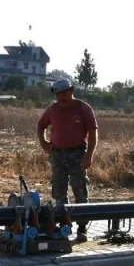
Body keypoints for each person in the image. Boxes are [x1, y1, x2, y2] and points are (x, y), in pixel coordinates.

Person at [37, 77, 98, 240]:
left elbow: (93, 132)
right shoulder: (52, 109)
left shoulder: (83, 108)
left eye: (63, 94)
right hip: (57, 155)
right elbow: (41, 125)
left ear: (71, 92)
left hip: (77, 154)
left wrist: (89, 156)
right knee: (58, 191)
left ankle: (82, 227)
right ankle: (63, 224)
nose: (60, 98)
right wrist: (43, 143)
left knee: (80, 190)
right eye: (58, 95)